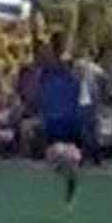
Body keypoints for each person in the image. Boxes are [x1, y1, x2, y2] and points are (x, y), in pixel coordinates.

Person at [30, 45, 92, 196]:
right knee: (59, 153)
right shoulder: (53, 80)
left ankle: (67, 172)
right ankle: (66, 172)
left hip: (65, 126)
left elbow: (83, 106)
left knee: (62, 153)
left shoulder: (66, 81)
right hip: (60, 125)